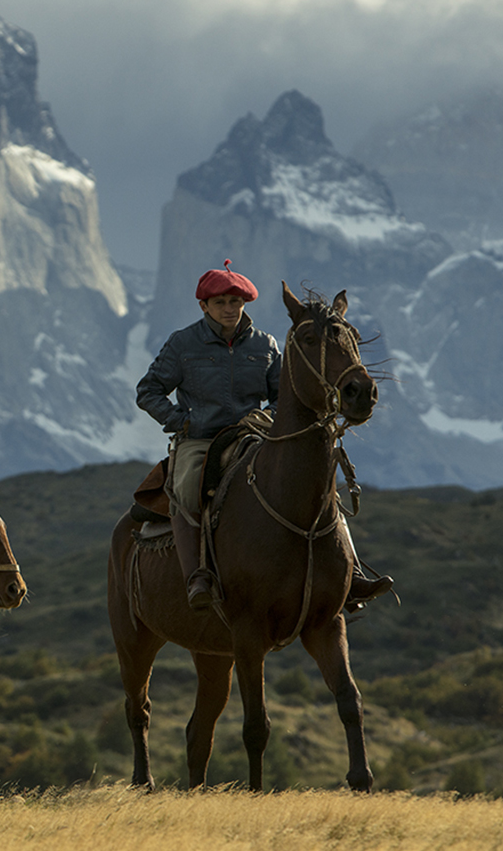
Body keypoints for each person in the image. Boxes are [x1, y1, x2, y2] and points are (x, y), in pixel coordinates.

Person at [135, 262, 391, 612]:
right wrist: (180, 421)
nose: (229, 309)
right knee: (186, 486)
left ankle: (351, 574)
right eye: (221, 302)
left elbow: (282, 395)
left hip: (253, 435)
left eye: (236, 302)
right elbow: (149, 390)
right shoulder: (183, 344)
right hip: (201, 439)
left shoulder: (265, 344)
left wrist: (268, 417)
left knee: (315, 484)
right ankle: (198, 575)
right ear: (204, 306)